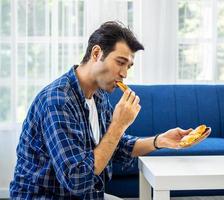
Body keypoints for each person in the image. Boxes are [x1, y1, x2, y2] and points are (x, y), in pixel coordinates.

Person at [10, 21, 194, 199]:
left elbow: (115, 145)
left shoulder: (98, 95)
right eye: (120, 62)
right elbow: (77, 180)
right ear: (96, 53)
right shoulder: (58, 101)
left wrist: (159, 141)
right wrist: (119, 124)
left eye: (128, 66)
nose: (124, 74)